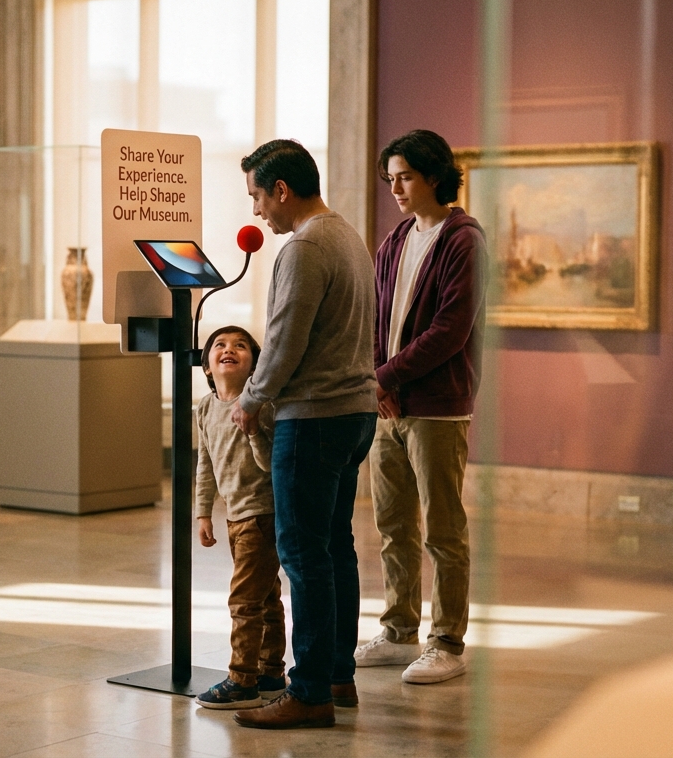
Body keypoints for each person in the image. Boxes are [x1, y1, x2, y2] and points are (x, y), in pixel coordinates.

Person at [228, 139, 378, 730]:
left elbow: (286, 337)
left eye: (258, 197)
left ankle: (310, 690)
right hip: (353, 412)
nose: (258, 211)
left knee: (302, 555)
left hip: (313, 418)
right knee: (334, 546)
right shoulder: (347, 235)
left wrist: (252, 398)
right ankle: (338, 674)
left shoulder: (305, 247)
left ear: (282, 190)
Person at [353, 129, 486, 685]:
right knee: (392, 524)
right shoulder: (395, 240)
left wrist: (384, 375)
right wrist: (376, 380)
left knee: (442, 529)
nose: (396, 188)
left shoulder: (463, 241)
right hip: (389, 404)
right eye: (390, 179)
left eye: (405, 177)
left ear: (434, 175)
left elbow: (449, 331)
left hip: (436, 407)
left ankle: (447, 640)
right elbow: (376, 317)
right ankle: (399, 628)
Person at [192, 325, 287, 710]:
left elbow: (270, 465)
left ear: (255, 366)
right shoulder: (205, 407)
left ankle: (242, 679)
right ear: (208, 366)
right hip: (235, 517)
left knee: (244, 600)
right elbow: (205, 463)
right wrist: (203, 512)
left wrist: (251, 432)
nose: (229, 349)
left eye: (240, 345)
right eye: (220, 345)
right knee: (266, 598)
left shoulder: (261, 406)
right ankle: (270, 673)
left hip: (262, 514)